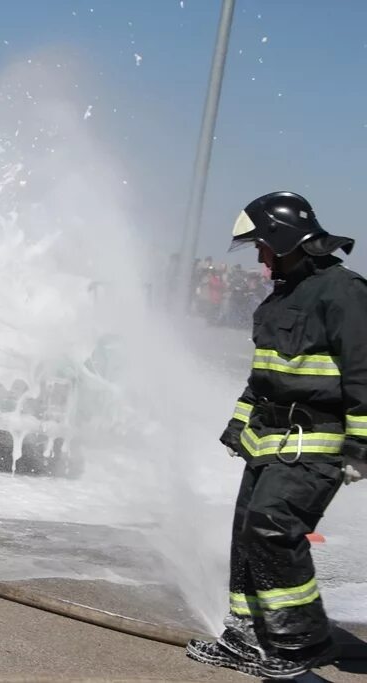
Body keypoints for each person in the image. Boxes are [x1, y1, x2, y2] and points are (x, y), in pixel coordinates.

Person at [187, 192, 367, 679]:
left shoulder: (343, 291)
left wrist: (362, 445)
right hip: (268, 440)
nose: (261, 257)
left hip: (317, 440)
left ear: (286, 241)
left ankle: (298, 641)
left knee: (272, 527)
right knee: (248, 534)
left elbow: (364, 371)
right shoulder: (282, 297)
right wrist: (238, 423)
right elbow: (264, 375)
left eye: (263, 246)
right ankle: (247, 636)